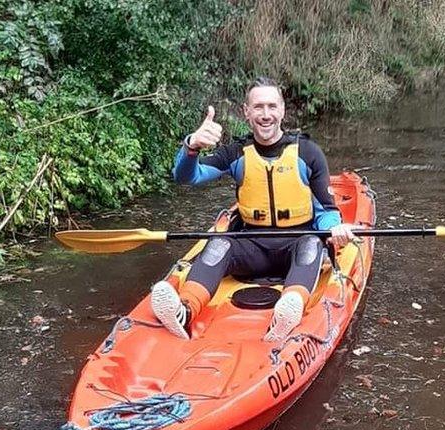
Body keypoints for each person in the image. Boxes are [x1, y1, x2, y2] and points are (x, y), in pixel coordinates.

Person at [150, 77, 358, 341]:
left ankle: (288, 310)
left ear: (282, 110)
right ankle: (185, 310)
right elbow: (186, 177)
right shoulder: (236, 153)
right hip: (250, 247)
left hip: (295, 247)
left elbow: (326, 209)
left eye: (272, 106)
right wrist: (192, 147)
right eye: (258, 107)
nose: (266, 114)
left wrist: (333, 229)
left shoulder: (308, 153)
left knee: (311, 244)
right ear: (246, 112)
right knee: (218, 243)